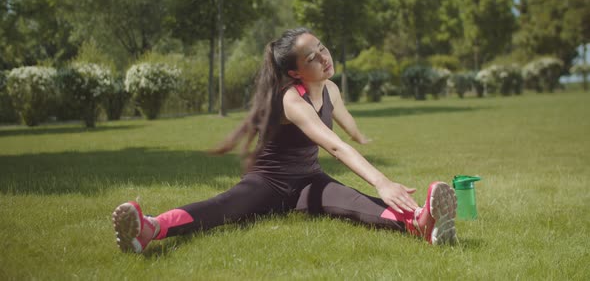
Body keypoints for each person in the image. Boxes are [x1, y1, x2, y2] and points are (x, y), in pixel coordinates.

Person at [112, 28, 457, 253]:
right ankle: (148, 229)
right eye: (312, 58)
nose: (324, 57)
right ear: (294, 73)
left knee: (355, 202)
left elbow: (340, 117)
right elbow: (333, 145)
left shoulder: (331, 88)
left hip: (309, 182)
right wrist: (382, 180)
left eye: (322, 47)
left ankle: (422, 224)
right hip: (268, 183)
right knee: (222, 207)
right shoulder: (290, 99)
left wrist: (356, 130)